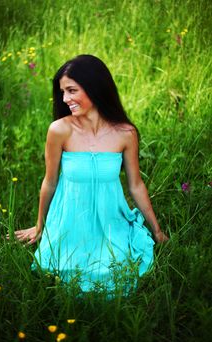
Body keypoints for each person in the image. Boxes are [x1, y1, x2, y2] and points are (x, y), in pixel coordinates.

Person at [12, 54, 168, 292]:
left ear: (94, 87)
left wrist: (156, 230)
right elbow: (50, 181)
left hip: (109, 222)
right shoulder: (59, 130)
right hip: (69, 224)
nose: (65, 99)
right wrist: (41, 226)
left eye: (72, 90)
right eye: (63, 92)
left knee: (114, 270)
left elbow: (135, 185)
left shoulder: (125, 133)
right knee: (61, 269)